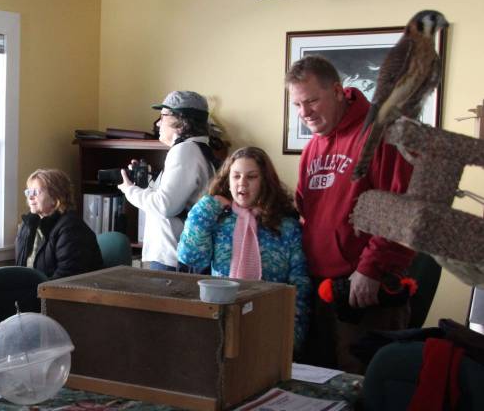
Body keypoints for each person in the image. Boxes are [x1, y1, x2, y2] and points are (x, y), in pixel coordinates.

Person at [286, 55, 415, 373]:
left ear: (338, 91)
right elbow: (307, 212)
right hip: (319, 289)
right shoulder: (313, 148)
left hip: (365, 290)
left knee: (361, 388)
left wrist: (371, 269)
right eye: (297, 105)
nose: (305, 113)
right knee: (315, 384)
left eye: (312, 101)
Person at [178, 146, 311, 354]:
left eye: (251, 177)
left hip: (270, 326)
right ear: (227, 180)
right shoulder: (218, 218)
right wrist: (206, 208)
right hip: (220, 324)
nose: (242, 183)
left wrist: (292, 337)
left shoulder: (286, 225)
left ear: (264, 181)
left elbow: (300, 285)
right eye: (236, 176)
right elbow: (191, 256)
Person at [118, 90, 217, 271]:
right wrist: (144, 182)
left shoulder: (184, 151)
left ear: (182, 122)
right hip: (177, 256)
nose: (157, 123)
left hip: (171, 258)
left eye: (163, 116)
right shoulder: (199, 149)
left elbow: (165, 206)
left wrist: (129, 189)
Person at [15, 168, 103, 279]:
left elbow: (66, 278)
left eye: (36, 192)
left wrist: (31, 293)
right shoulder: (27, 225)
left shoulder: (72, 229)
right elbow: (20, 268)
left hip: (58, 293)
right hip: (31, 291)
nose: (30, 197)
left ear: (55, 198)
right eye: (29, 192)